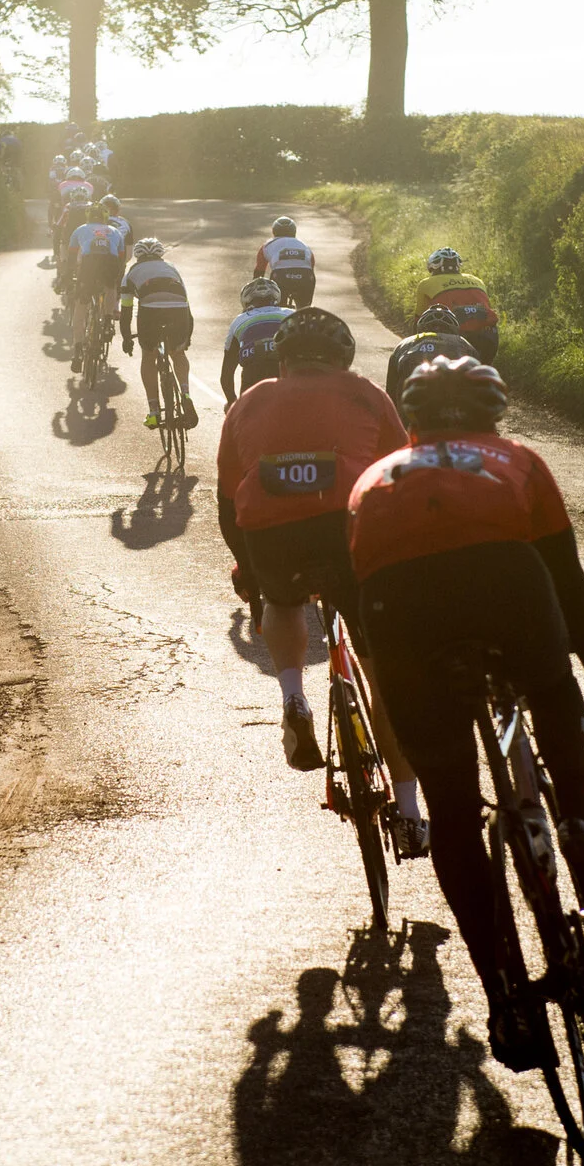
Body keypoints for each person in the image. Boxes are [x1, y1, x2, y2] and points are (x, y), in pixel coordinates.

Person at [344, 354, 584, 1072]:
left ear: (408, 417)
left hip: (402, 604)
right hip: (506, 583)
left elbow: (361, 612)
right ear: (493, 411)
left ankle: (506, 997)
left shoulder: (372, 481)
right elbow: (568, 581)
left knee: (452, 810)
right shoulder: (518, 460)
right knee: (550, 688)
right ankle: (577, 822)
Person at [213, 308, 427, 858]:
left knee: (282, 602)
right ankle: (408, 813)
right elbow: (402, 471)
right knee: (385, 677)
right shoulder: (364, 392)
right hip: (351, 526)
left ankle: (293, 695)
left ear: (282, 361)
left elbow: (225, 496)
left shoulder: (251, 399)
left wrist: (248, 569)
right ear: (343, 357)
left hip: (271, 532)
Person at [119, 237, 198, 429]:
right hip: (178, 308)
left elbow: (127, 310)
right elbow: (186, 303)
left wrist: (126, 337)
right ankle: (186, 393)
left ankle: (154, 412)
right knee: (178, 352)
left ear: (137, 257)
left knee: (148, 355)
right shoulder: (171, 269)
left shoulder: (131, 273)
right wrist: (186, 335)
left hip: (150, 311)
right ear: (160, 255)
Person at [412, 248, 500, 361]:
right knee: (483, 370)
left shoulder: (425, 283)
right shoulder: (477, 280)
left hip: (452, 336)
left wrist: (414, 345)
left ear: (433, 266)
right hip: (488, 335)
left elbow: (419, 319)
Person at [220, 276, 296, 406]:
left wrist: (232, 404)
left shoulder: (239, 320)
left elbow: (226, 375)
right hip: (285, 369)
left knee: (247, 420)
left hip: (254, 371)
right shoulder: (291, 314)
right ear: (276, 297)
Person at [67, 197, 127, 357]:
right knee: (110, 287)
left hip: (89, 264)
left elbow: (71, 255)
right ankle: (107, 319)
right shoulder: (114, 231)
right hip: (110, 261)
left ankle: (78, 347)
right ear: (105, 218)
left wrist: (68, 275)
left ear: (88, 217)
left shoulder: (80, 229)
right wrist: (117, 278)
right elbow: (121, 258)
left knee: (81, 305)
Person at [384, 306, 476, 408]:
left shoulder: (405, 343)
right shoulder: (463, 343)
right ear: (453, 330)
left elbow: (390, 392)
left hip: (412, 400)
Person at [254, 216, 318, 308]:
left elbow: (259, 270)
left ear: (274, 231)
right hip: (306, 277)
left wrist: (256, 286)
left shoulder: (267, 245)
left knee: (279, 308)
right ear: (294, 232)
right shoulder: (304, 245)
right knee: (304, 310)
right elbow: (311, 266)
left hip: (280, 276)